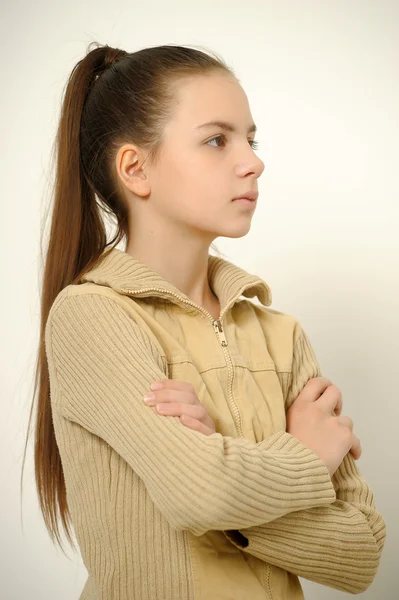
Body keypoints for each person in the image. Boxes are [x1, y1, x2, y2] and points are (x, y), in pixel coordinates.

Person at [22, 42, 386, 600]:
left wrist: (223, 478)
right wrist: (304, 456)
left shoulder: (281, 334)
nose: (253, 161)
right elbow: (202, 495)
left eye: (251, 138)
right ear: (136, 168)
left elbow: (361, 552)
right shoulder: (91, 316)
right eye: (217, 140)